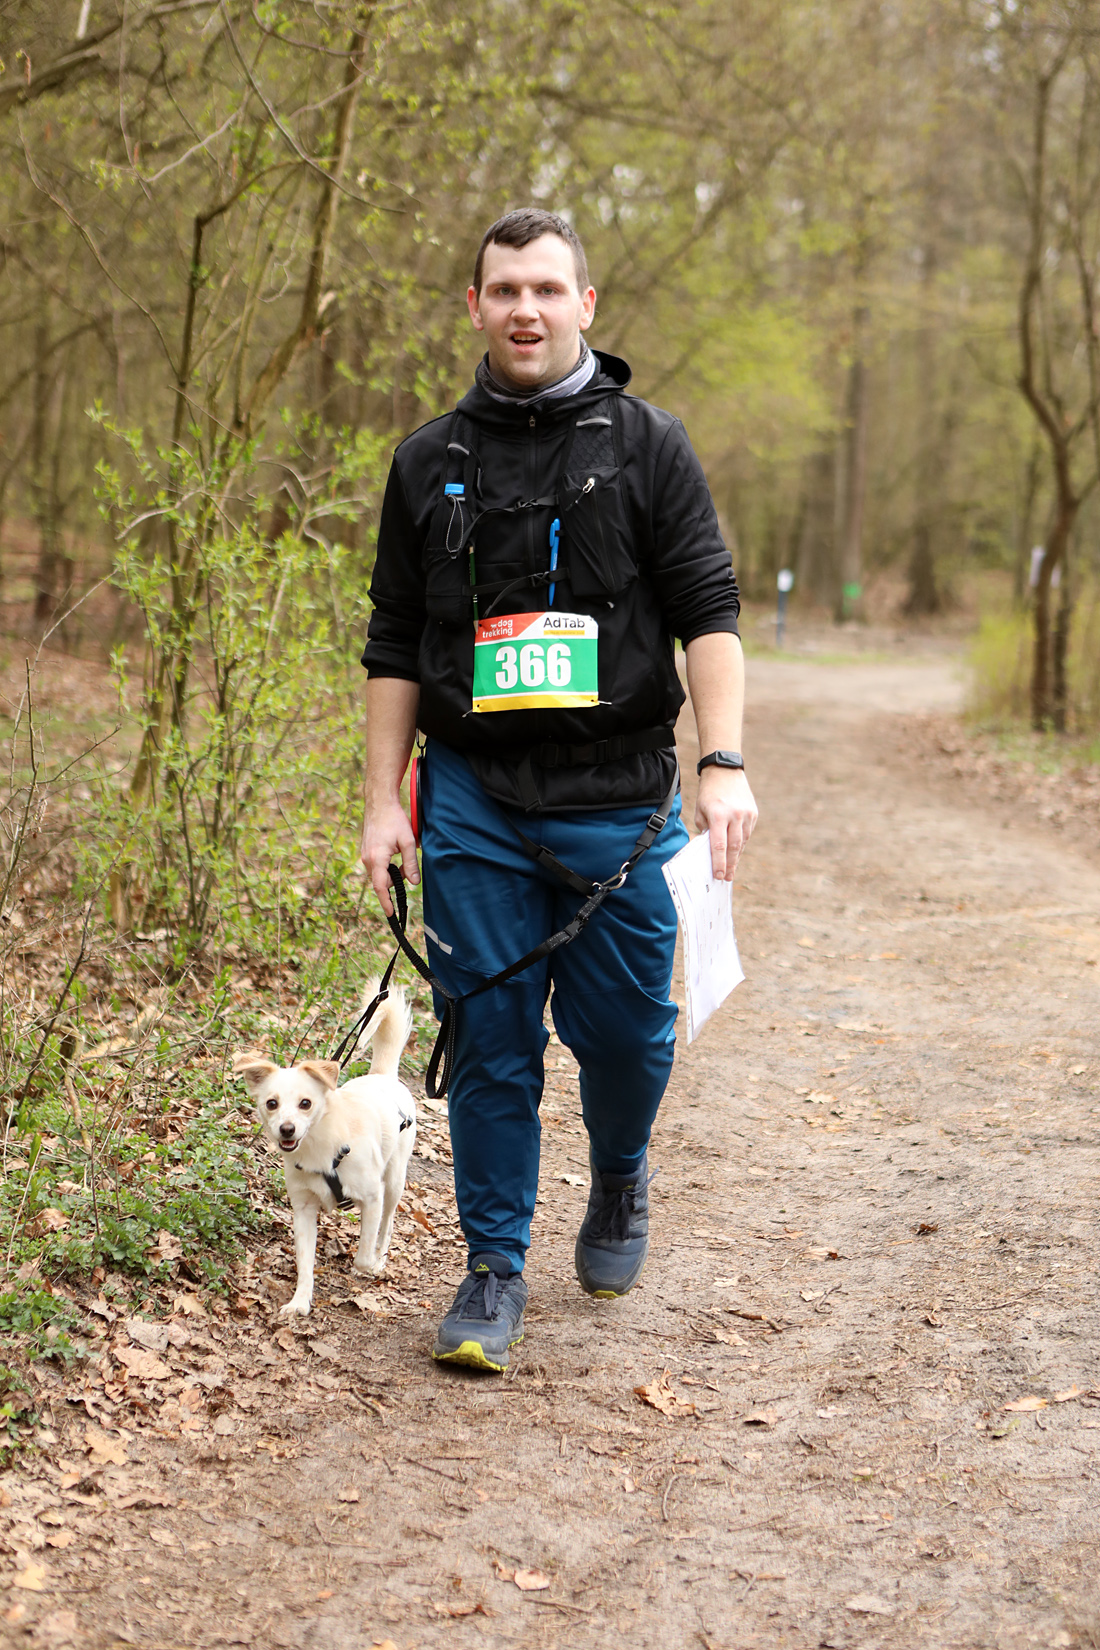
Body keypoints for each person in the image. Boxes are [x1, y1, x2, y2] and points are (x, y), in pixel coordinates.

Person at [360, 208, 757, 1372]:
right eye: (503, 290)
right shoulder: (424, 461)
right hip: (473, 798)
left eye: (545, 289)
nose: (523, 309)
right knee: (489, 1039)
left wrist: (722, 764)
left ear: (583, 304)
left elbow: (708, 613)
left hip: (618, 801)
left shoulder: (649, 447)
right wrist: (383, 802)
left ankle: (620, 1172)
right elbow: (392, 642)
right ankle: (491, 1270)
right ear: (474, 308)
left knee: (628, 1038)